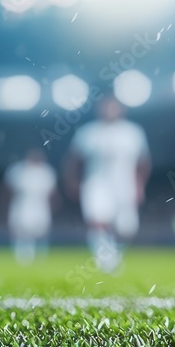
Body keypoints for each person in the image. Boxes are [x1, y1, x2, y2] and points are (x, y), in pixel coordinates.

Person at [64, 96, 151, 274]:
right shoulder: (88, 133)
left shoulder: (133, 133)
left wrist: (139, 184)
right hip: (96, 184)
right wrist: (73, 182)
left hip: (124, 185)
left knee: (127, 228)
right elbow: (73, 161)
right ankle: (104, 259)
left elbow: (143, 163)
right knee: (98, 221)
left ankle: (114, 254)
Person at [2, 149, 57, 265]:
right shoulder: (18, 170)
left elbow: (52, 193)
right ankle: (23, 257)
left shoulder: (46, 171)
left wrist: (54, 205)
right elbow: (7, 190)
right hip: (22, 204)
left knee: (41, 231)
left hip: (40, 205)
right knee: (22, 231)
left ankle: (41, 256)